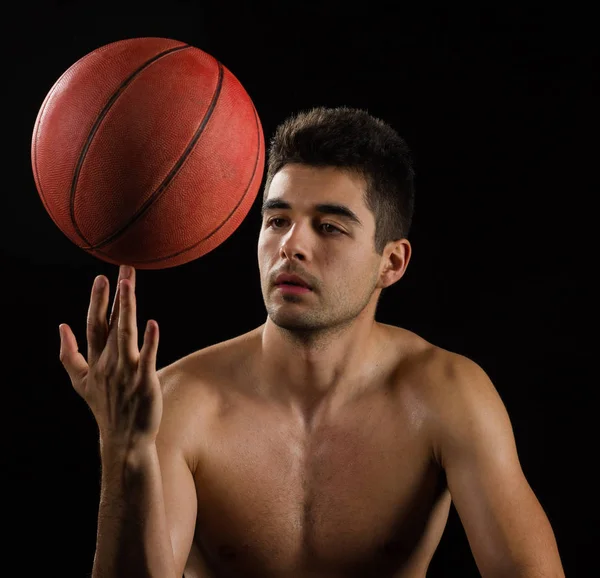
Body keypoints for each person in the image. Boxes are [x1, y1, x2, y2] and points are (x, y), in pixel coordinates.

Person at [58, 107, 565, 578]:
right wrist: (124, 449)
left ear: (392, 263)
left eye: (329, 227)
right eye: (277, 220)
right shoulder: (180, 401)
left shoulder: (446, 395)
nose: (291, 246)